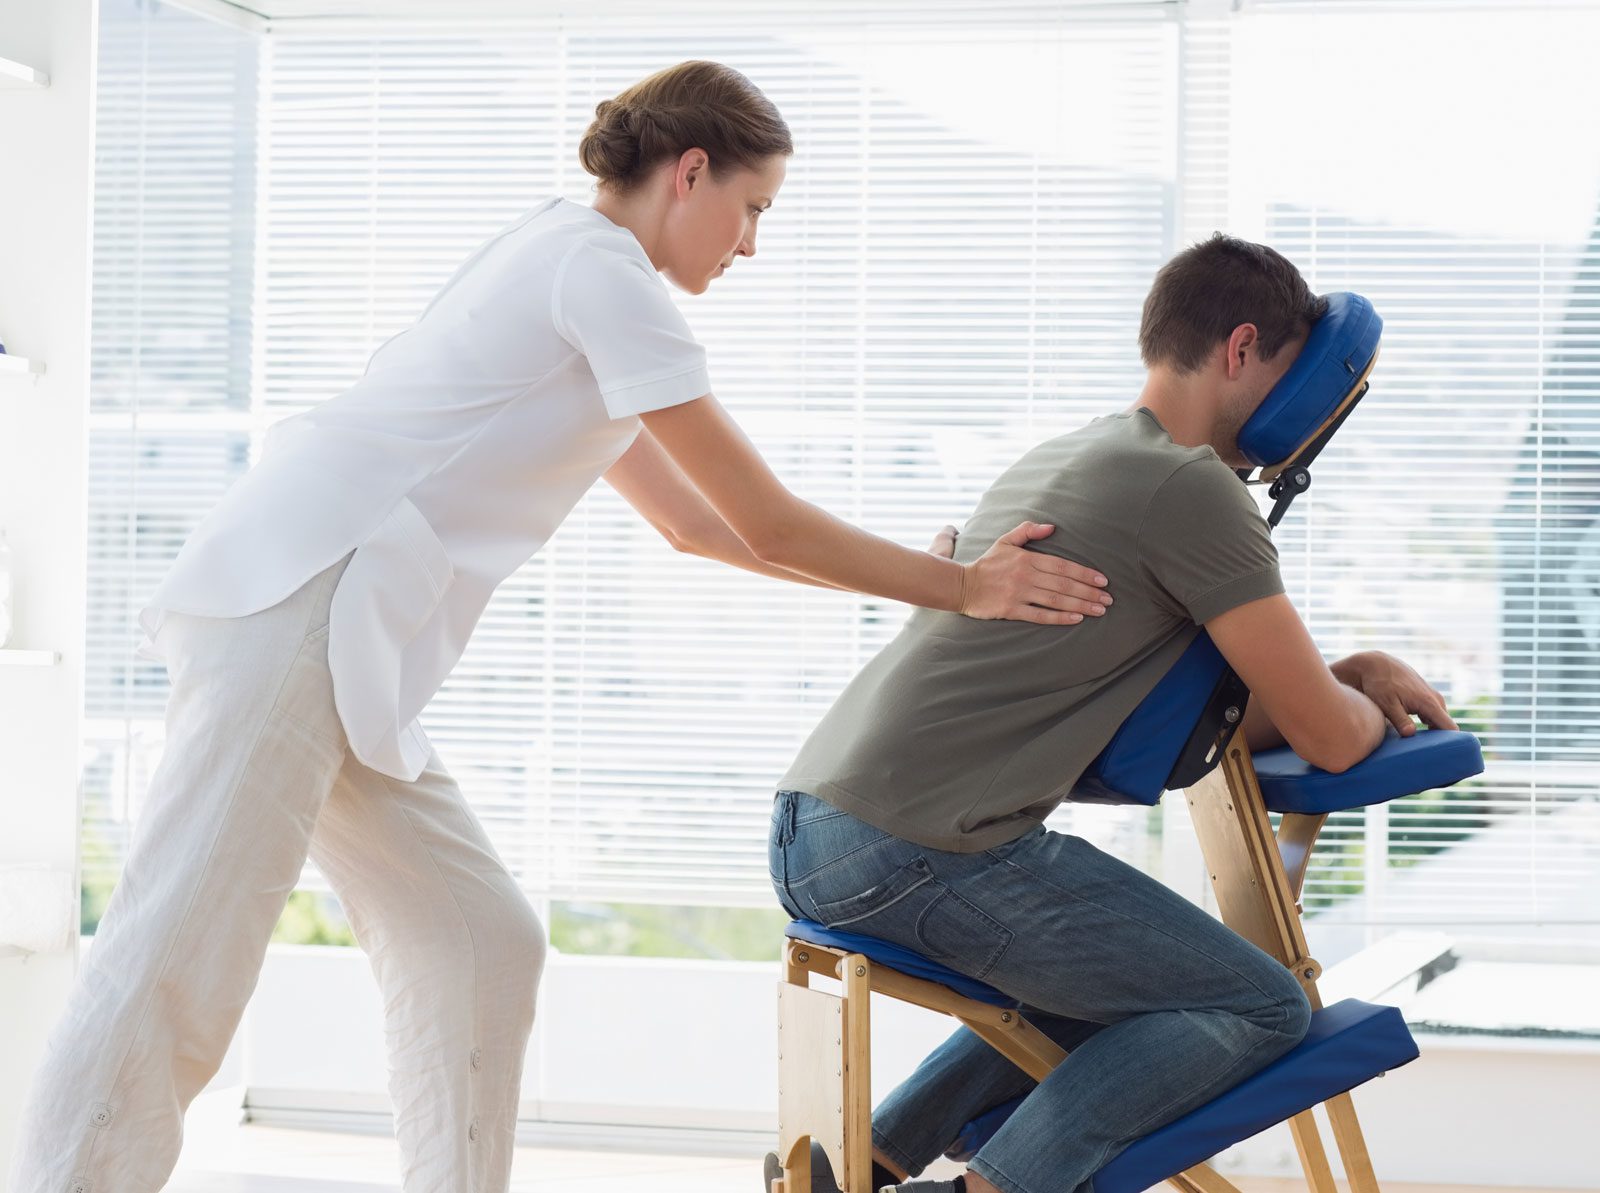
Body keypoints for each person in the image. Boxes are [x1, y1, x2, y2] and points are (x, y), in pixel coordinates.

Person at [8, 61, 1114, 1193]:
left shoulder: (573, 271)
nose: (748, 249)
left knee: (478, 935)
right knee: (178, 954)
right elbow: (765, 517)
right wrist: (965, 590)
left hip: (350, 637)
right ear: (690, 174)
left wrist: (913, 577)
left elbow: (698, 525)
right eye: (752, 210)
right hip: (305, 597)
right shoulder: (599, 271)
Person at [764, 234, 1458, 1193]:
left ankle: (854, 1169)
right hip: (919, 844)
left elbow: (1188, 708)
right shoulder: (1195, 487)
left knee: (1152, 977)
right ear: (1244, 349)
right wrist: (1372, 689)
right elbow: (1331, 735)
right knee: (1261, 1005)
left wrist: (1347, 668)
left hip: (820, 823)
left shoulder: (1077, 450)